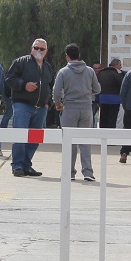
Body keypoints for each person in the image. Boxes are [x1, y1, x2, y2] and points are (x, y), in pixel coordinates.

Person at [7, 38, 56, 177]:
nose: (38, 51)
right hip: (22, 105)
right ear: (31, 48)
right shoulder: (21, 62)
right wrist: (24, 85)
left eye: (41, 49)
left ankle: (26, 166)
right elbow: (9, 79)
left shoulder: (48, 67)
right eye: (36, 48)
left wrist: (48, 102)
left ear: (46, 51)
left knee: (35, 139)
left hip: (41, 108)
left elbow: (51, 86)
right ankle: (17, 165)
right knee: (20, 136)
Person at [53, 43, 102, 181]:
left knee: (70, 142)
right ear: (79, 55)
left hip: (70, 108)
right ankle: (88, 172)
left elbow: (56, 91)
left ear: (67, 56)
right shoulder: (90, 71)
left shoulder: (63, 72)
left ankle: (69, 173)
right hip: (86, 108)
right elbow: (97, 89)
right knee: (85, 141)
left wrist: (58, 103)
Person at [96, 58, 124, 130]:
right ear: (116, 65)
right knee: (112, 120)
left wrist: (97, 99)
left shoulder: (101, 73)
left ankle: (102, 133)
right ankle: (110, 135)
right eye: (120, 65)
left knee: (103, 118)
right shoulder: (117, 73)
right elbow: (122, 86)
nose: (121, 67)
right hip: (114, 100)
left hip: (102, 99)